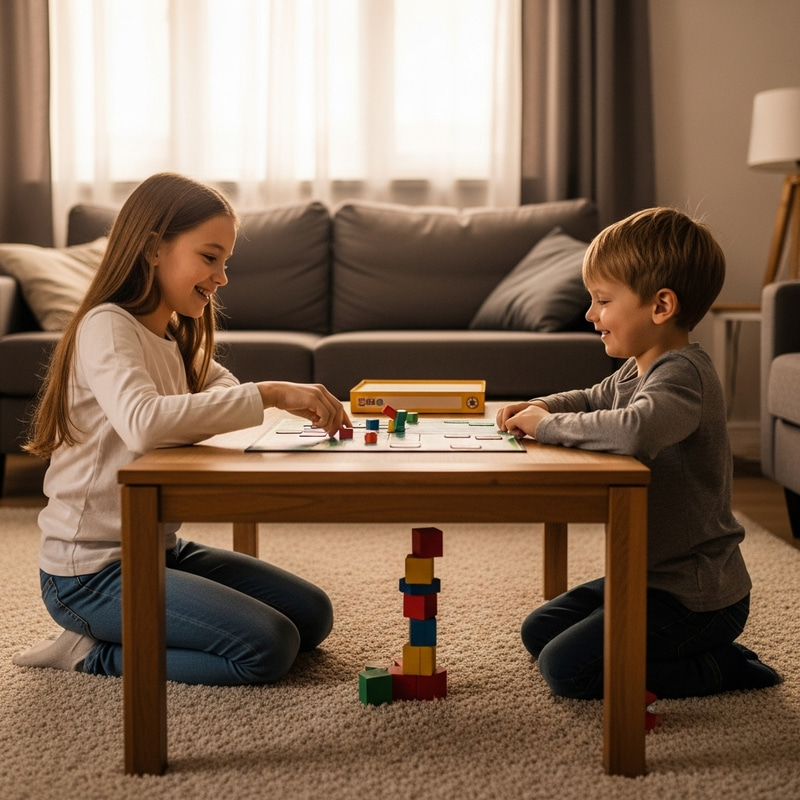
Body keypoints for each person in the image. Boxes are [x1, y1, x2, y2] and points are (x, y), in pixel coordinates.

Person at [13, 172, 350, 686]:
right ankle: (90, 653)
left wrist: (256, 402)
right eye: (209, 257)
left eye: (226, 262)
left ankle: (141, 626)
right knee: (266, 648)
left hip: (160, 550)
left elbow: (223, 394)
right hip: (88, 575)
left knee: (312, 615)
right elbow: (144, 423)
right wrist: (274, 394)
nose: (222, 277)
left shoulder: (169, 334)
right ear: (153, 249)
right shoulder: (107, 325)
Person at [497, 207, 781, 700]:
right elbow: (591, 398)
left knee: (566, 671)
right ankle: (664, 647)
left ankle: (718, 666)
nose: (590, 315)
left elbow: (635, 431)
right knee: (538, 632)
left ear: (661, 305)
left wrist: (548, 426)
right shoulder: (637, 367)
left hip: (697, 597)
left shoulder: (682, 375)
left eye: (603, 301)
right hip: (647, 577)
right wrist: (541, 405)